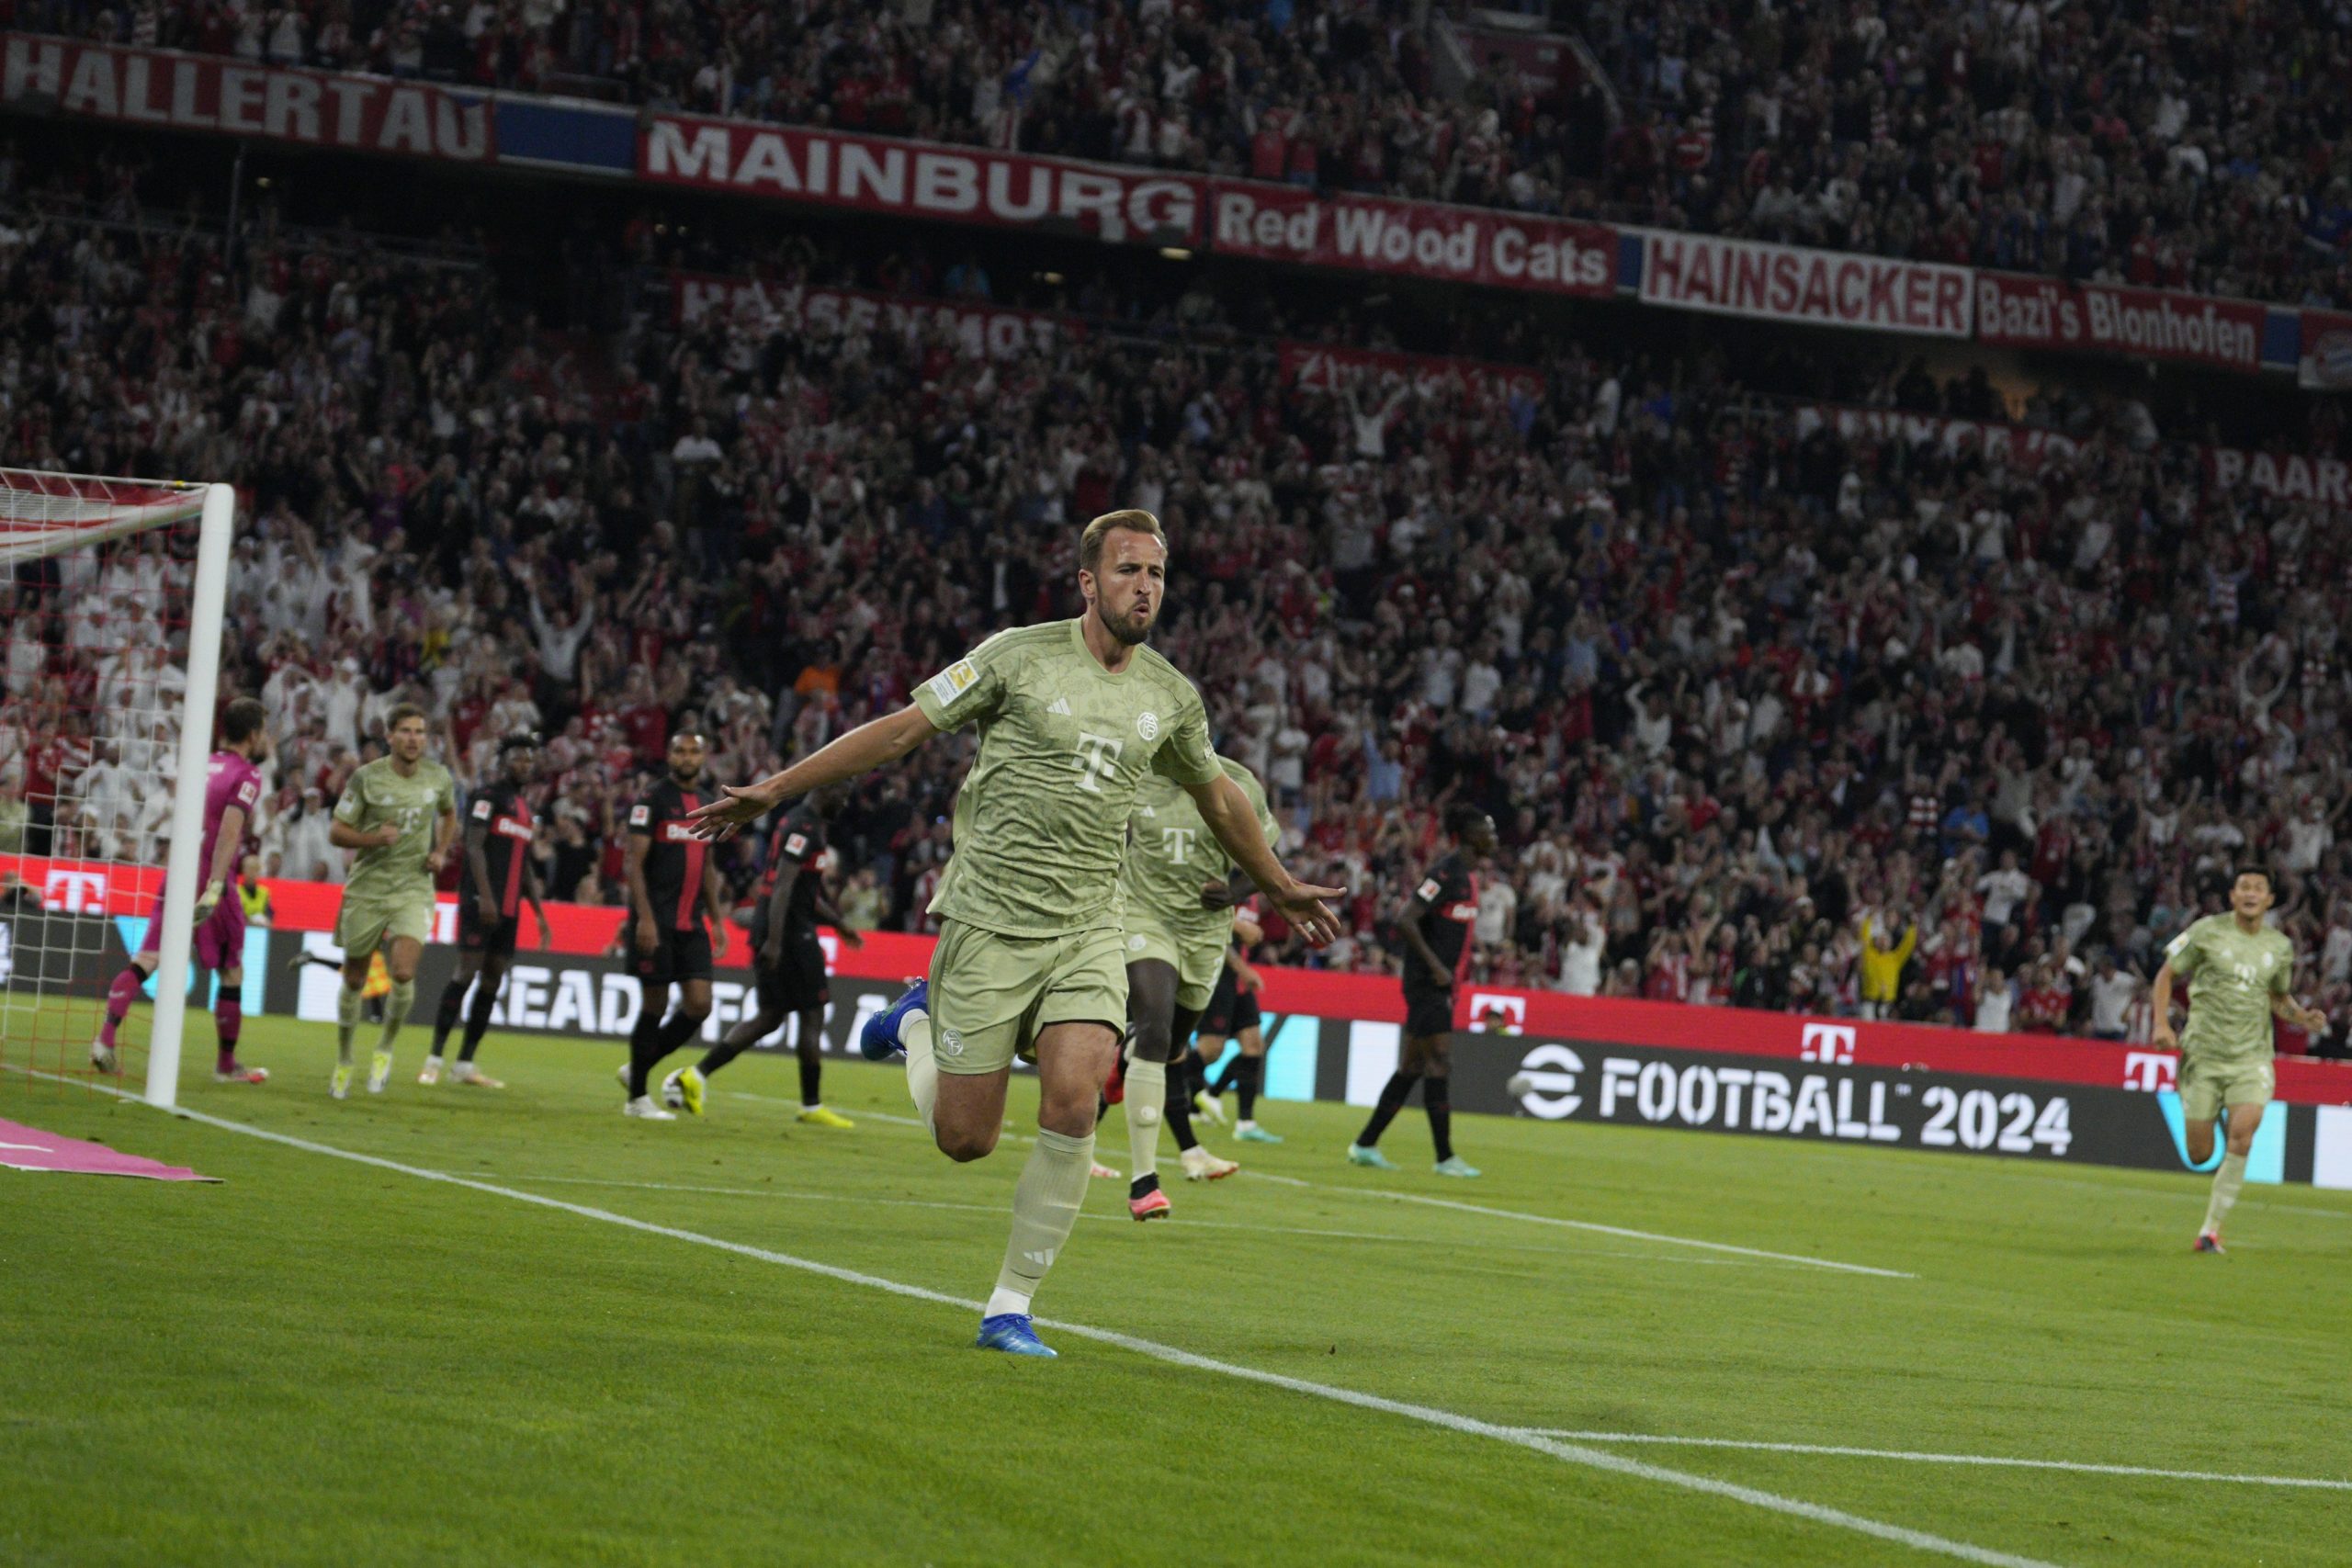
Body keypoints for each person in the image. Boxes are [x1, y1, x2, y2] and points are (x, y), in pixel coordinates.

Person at [688, 509, 1341, 1358]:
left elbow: (1218, 795)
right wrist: (775, 789)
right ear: (1088, 582)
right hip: (991, 919)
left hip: (1091, 924)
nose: (1145, 587)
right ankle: (914, 1022)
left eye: (1156, 573)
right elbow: (902, 729)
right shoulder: (1017, 657)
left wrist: (1278, 885)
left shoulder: (1171, 696)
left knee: (1076, 1095)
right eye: (1128, 570)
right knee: (967, 1139)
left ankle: (1010, 1305)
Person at [1116, 755, 1277, 1219]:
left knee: (1170, 1046)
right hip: (1144, 916)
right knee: (1154, 1028)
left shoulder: (1238, 783)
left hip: (1205, 936)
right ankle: (1145, 1182)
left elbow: (1265, 858)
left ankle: (1128, 1059)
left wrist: (1235, 893)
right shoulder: (1132, 773)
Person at [90, 696, 273, 1085]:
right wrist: (216, 886)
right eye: (264, 731)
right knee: (231, 969)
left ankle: (104, 1040)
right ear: (253, 733)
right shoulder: (247, 775)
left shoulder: (201, 764)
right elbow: (229, 831)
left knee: (148, 958)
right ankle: (226, 1065)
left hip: (178, 869)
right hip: (210, 875)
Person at [663, 783, 862, 1124]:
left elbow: (803, 891)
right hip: (791, 937)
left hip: (781, 932)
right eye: (842, 796)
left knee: (770, 1016)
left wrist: (837, 924)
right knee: (812, 1014)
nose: (843, 804)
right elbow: (782, 886)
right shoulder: (804, 827)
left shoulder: (798, 821)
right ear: (827, 791)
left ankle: (695, 1076)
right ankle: (811, 1106)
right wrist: (775, 942)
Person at [2152, 866, 2326, 1253]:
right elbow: (2166, 975)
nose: (2250, 893)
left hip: (2252, 1058)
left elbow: (2276, 996)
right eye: (2244, 887)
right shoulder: (2206, 932)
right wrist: (2161, 1024)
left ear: (2269, 900)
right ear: (2233, 896)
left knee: (2243, 1133)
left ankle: (2210, 1231)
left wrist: (2302, 1017)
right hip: (2203, 1055)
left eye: (2258, 888)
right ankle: (2209, 1108)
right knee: (2200, 1154)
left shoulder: (2279, 947)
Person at [1349, 803, 1494, 1177]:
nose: (1494, 837)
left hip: (1442, 983)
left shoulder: (1469, 877)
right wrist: (1436, 967)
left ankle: (1365, 1144)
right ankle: (1445, 1158)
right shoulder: (1445, 873)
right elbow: (1406, 918)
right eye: (1487, 831)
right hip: (1427, 983)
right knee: (1439, 1062)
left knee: (1412, 1066)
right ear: (1468, 836)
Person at [324, 705, 458, 1098]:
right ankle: (345, 1059)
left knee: (402, 973)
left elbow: (449, 814)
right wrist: (373, 839)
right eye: (406, 731)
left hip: (413, 887)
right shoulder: (367, 777)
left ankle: (384, 1050)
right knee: (355, 979)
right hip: (368, 887)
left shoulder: (438, 776)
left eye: (420, 732)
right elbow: (336, 831)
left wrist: (441, 851)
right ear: (390, 736)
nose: (414, 739)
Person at [422, 732, 552, 1089]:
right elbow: (474, 846)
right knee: (466, 972)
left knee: (493, 980)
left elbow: (523, 864)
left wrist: (538, 912)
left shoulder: (525, 808)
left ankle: (464, 1063)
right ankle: (434, 1058)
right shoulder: (487, 796)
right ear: (503, 761)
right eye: (518, 758)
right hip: (481, 902)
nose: (524, 764)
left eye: (529, 759)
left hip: (509, 909)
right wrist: (486, 896)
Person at [616, 728, 732, 1118]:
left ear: (703, 758)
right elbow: (633, 864)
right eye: (680, 751)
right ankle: (636, 1098)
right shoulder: (652, 798)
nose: (686, 758)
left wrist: (717, 920)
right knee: (656, 1004)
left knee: (700, 1005)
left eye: (693, 752)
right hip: (657, 920)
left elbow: (708, 866)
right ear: (669, 756)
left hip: (691, 923)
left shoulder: (707, 802)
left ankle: (638, 1068)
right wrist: (644, 918)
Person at [1197, 931, 1281, 1144]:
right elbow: (1215, 924)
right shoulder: (1234, 910)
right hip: (1218, 977)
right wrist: (1243, 968)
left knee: (1254, 1046)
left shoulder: (1257, 907)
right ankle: (1166, 1082)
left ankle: (1245, 1123)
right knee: (1211, 1050)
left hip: (1238, 983)